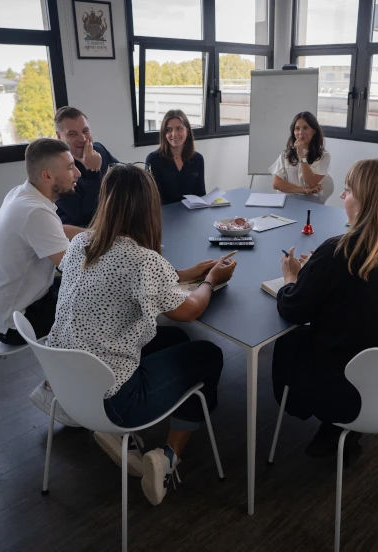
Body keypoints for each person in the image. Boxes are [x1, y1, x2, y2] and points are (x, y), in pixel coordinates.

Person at [47, 164, 237, 506]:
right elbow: (190, 310)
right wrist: (211, 281)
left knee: (178, 340)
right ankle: (167, 457)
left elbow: (127, 282)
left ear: (106, 201)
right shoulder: (142, 260)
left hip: (69, 385)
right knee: (209, 355)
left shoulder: (80, 243)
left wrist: (185, 273)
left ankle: (116, 432)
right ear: (148, 206)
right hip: (115, 401)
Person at [272, 159, 378, 461]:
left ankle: (329, 425)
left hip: (352, 394)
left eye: (348, 190)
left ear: (366, 202)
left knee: (291, 340)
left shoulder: (339, 252)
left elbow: (293, 309)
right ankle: (334, 434)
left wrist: (292, 278)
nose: (341, 196)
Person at [0, 138, 85, 427]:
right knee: (92, 313)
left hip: (5, 307)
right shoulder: (34, 212)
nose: (77, 172)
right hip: (15, 320)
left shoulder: (23, 194)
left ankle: (68, 385)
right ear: (47, 176)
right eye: (70, 167)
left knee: (79, 302)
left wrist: (98, 233)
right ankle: (53, 392)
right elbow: (76, 269)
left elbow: (58, 230)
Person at [54, 106, 120, 226]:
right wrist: (93, 172)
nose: (83, 139)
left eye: (85, 131)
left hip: (112, 225)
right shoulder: (56, 172)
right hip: (80, 236)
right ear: (59, 137)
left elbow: (124, 179)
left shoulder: (99, 150)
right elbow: (86, 218)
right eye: (72, 134)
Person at [270, 111, 334, 204]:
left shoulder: (324, 156)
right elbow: (276, 184)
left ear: (314, 131)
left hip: (310, 200)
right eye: (297, 129)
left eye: (305, 128)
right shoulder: (285, 154)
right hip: (286, 200)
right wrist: (305, 190)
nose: (300, 133)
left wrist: (301, 156)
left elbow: (311, 183)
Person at [145, 110, 206, 204]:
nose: (174, 134)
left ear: (187, 130)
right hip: (164, 216)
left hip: (192, 214)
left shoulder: (198, 159)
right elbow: (152, 199)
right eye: (169, 130)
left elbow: (201, 194)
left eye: (179, 128)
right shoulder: (153, 160)